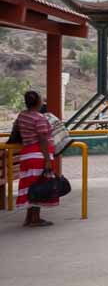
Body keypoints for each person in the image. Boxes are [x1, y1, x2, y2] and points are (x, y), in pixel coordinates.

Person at [11, 90, 59, 227]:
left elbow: (17, 131)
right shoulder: (40, 118)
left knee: (30, 186)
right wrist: (48, 161)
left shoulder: (22, 116)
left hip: (26, 155)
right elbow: (43, 139)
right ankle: (35, 218)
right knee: (39, 187)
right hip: (39, 156)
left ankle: (28, 217)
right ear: (38, 101)